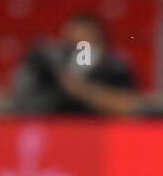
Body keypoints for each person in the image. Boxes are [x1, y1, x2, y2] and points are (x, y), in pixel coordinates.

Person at [12, 12, 140, 115]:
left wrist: (81, 89)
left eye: (86, 43)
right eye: (73, 43)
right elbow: (22, 106)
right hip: (54, 135)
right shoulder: (45, 67)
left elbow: (129, 106)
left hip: (99, 136)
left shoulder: (115, 68)